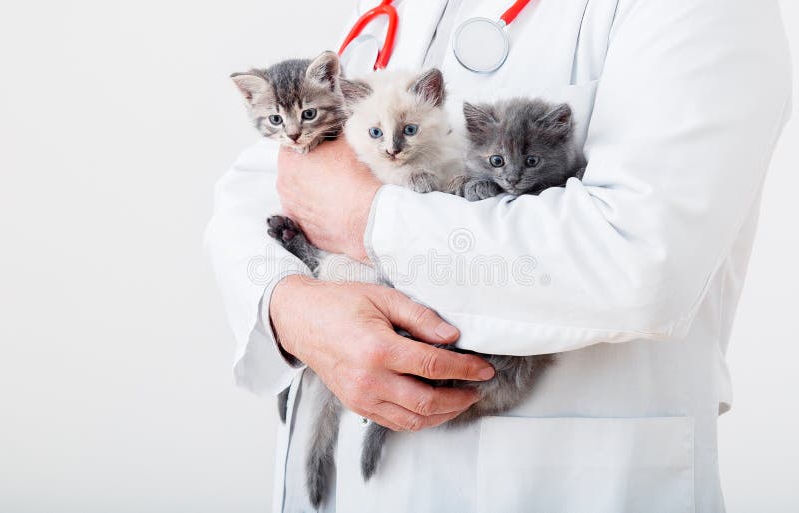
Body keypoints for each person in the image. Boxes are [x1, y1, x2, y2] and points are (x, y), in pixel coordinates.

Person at [206, 0, 792, 511]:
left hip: (555, 473)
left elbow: (642, 257)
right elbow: (271, 179)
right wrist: (290, 305)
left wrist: (369, 220)